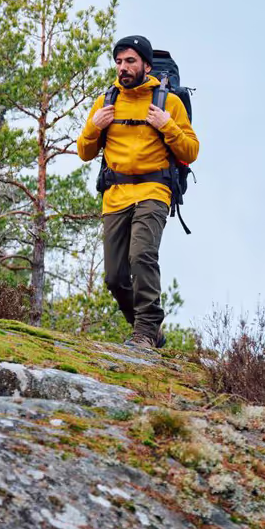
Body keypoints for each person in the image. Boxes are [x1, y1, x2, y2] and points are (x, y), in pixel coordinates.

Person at [77, 35, 199, 349]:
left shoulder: (167, 102)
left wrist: (167, 125)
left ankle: (144, 332)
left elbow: (191, 150)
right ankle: (150, 331)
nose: (123, 68)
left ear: (146, 65)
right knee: (114, 277)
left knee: (142, 256)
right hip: (115, 195)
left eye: (130, 61)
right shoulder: (106, 102)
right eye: (119, 62)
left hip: (153, 191)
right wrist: (95, 126)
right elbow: (84, 152)